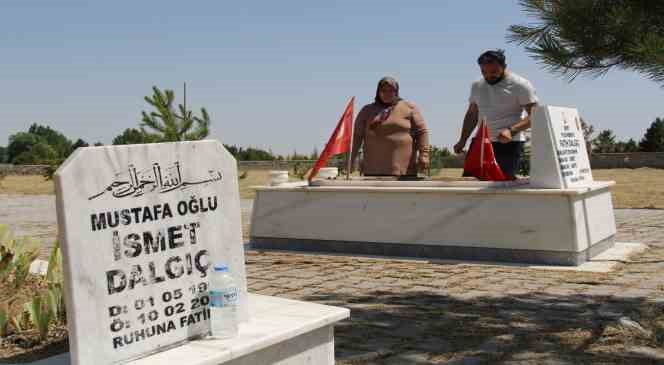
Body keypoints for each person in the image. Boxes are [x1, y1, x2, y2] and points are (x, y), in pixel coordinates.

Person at [454, 50, 539, 179]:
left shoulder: (521, 85)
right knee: (470, 183)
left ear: (504, 66)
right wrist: (462, 140)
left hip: (509, 144)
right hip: (481, 142)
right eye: (484, 72)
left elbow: (536, 116)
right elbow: (472, 114)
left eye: (493, 72)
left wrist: (512, 130)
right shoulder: (477, 85)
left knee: (501, 185)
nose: (488, 76)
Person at [351, 77, 430, 177]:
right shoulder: (367, 111)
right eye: (383, 90)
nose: (387, 93)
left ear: (396, 92)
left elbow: (422, 132)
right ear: (378, 92)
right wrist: (351, 158)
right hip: (373, 172)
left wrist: (424, 155)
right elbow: (357, 136)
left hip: (404, 173)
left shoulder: (409, 107)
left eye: (391, 90)